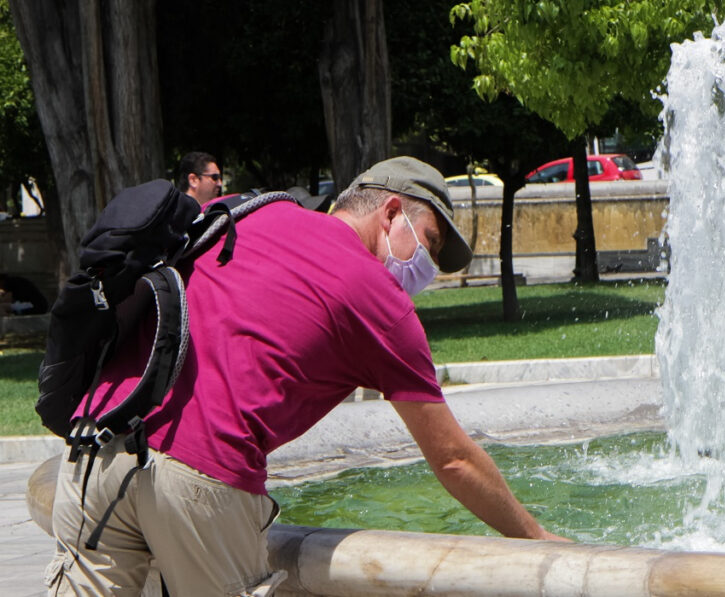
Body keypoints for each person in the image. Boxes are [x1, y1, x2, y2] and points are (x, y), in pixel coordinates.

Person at [46, 156, 566, 597]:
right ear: (390, 213)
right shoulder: (379, 301)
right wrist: (536, 538)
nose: (425, 267)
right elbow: (453, 460)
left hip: (98, 446)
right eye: (426, 242)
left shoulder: (250, 211)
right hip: (201, 477)